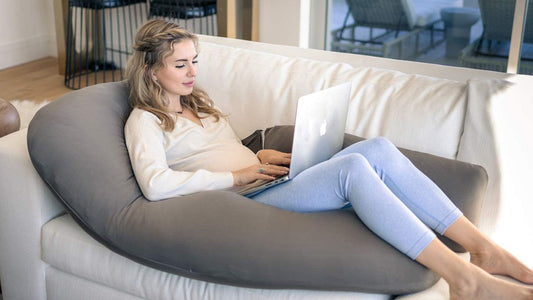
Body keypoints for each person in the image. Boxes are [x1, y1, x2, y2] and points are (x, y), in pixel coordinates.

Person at [124, 19, 533, 299]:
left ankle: (483, 249)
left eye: (194, 61)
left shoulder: (197, 102)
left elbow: (226, 146)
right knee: (352, 168)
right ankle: (462, 278)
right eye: (180, 64)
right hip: (240, 203)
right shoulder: (144, 121)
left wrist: (260, 155)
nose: (192, 72)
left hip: (263, 179)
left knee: (377, 149)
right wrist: (235, 177)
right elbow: (156, 184)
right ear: (150, 70)